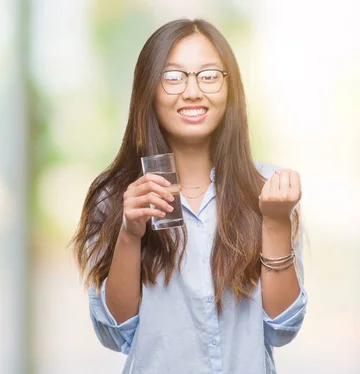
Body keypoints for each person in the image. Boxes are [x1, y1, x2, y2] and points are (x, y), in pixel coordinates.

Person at [72, 18, 307, 374]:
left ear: (231, 88)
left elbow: (281, 328)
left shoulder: (269, 188)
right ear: (148, 89)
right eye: (173, 76)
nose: (193, 91)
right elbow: (115, 332)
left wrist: (274, 224)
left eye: (209, 75)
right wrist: (130, 233)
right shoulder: (115, 196)